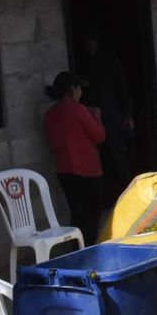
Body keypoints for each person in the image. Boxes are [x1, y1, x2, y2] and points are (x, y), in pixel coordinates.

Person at [43, 71, 105, 245]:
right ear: (73, 89)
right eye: (79, 89)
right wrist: (97, 116)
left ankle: (76, 251)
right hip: (88, 170)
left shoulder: (50, 114)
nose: (81, 93)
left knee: (77, 215)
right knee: (92, 215)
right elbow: (100, 136)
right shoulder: (79, 110)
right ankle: (90, 250)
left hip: (64, 171)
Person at [79, 28, 134, 204]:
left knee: (117, 154)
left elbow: (121, 86)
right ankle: (108, 198)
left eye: (92, 41)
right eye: (87, 42)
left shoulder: (109, 60)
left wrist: (128, 114)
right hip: (91, 117)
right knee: (100, 159)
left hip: (111, 116)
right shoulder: (83, 63)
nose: (89, 45)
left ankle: (130, 196)